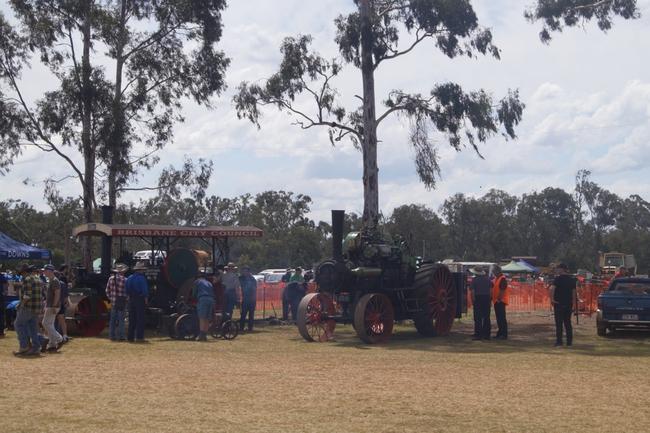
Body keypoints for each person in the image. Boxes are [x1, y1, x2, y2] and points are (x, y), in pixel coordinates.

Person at [13, 264, 43, 357]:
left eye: (22, 274)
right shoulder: (38, 279)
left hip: (28, 307)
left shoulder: (27, 279)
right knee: (33, 328)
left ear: (24, 272)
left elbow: (27, 296)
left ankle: (24, 346)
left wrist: (20, 304)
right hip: (37, 308)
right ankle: (36, 348)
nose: (22, 275)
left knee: (18, 324)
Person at [549, 263, 576, 347]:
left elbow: (552, 289)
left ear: (562, 269)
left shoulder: (557, 279)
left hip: (558, 303)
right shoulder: (572, 280)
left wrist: (552, 299)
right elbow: (574, 293)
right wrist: (574, 304)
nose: (556, 270)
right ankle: (569, 342)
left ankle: (559, 342)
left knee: (559, 323)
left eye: (558, 268)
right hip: (568, 304)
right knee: (568, 323)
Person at [42, 264, 63, 352]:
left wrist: (54, 305)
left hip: (52, 306)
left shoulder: (54, 281)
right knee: (49, 324)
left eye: (45, 270)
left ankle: (59, 339)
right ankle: (52, 345)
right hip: (50, 305)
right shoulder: (51, 280)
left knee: (45, 323)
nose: (44, 272)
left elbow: (57, 294)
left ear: (50, 271)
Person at [126, 262, 149, 343]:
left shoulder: (129, 278)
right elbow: (144, 290)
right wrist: (146, 299)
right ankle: (139, 337)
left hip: (131, 299)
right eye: (142, 270)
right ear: (140, 270)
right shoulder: (141, 278)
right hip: (140, 299)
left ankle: (130, 337)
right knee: (140, 319)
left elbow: (127, 290)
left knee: (132, 319)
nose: (143, 271)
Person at [105, 263, 128, 341]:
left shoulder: (110, 279)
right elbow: (127, 292)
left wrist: (111, 298)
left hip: (113, 301)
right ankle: (121, 336)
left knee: (113, 320)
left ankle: (112, 336)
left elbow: (107, 290)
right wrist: (126, 299)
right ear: (123, 272)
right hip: (122, 302)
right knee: (121, 319)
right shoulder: (125, 280)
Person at [469, 266, 492, 340]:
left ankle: (478, 334)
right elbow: (491, 290)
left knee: (478, 317)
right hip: (487, 298)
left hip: (478, 298)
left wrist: (473, 300)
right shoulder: (488, 280)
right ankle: (487, 335)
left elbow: (472, 292)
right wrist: (490, 300)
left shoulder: (474, 280)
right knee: (486, 317)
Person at [192, 272, 215, 341]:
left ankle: (201, 335)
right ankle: (204, 335)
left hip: (203, 299)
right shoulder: (209, 283)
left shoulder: (197, 282)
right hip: (211, 299)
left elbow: (194, 292)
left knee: (202, 317)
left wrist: (193, 297)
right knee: (207, 318)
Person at [492, 265, 509, 340]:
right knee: (499, 318)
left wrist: (499, 298)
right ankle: (500, 333)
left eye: (494, 271)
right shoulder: (497, 278)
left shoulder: (502, 279)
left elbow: (502, 290)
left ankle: (504, 334)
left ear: (498, 271)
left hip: (500, 301)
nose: (493, 273)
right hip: (496, 301)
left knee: (502, 318)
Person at [239, 266, 257, 332]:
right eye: (244, 271)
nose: (245, 272)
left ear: (249, 272)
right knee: (243, 314)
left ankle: (250, 328)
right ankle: (241, 328)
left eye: (246, 271)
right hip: (245, 299)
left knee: (251, 315)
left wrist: (253, 298)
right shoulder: (241, 278)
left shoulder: (252, 279)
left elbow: (255, 288)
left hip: (252, 299)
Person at [56, 265, 71, 343]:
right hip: (61, 302)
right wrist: (67, 301)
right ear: (65, 269)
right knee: (61, 319)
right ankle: (64, 335)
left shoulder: (59, 280)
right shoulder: (63, 279)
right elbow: (66, 292)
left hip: (56, 303)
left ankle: (58, 335)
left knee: (55, 320)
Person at [0, 266, 6, 338]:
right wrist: (4, 292)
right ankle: (1, 331)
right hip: (1, 296)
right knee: (1, 315)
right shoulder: (2, 276)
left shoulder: (2, 276)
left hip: (1, 296)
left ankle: (1, 331)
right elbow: (5, 284)